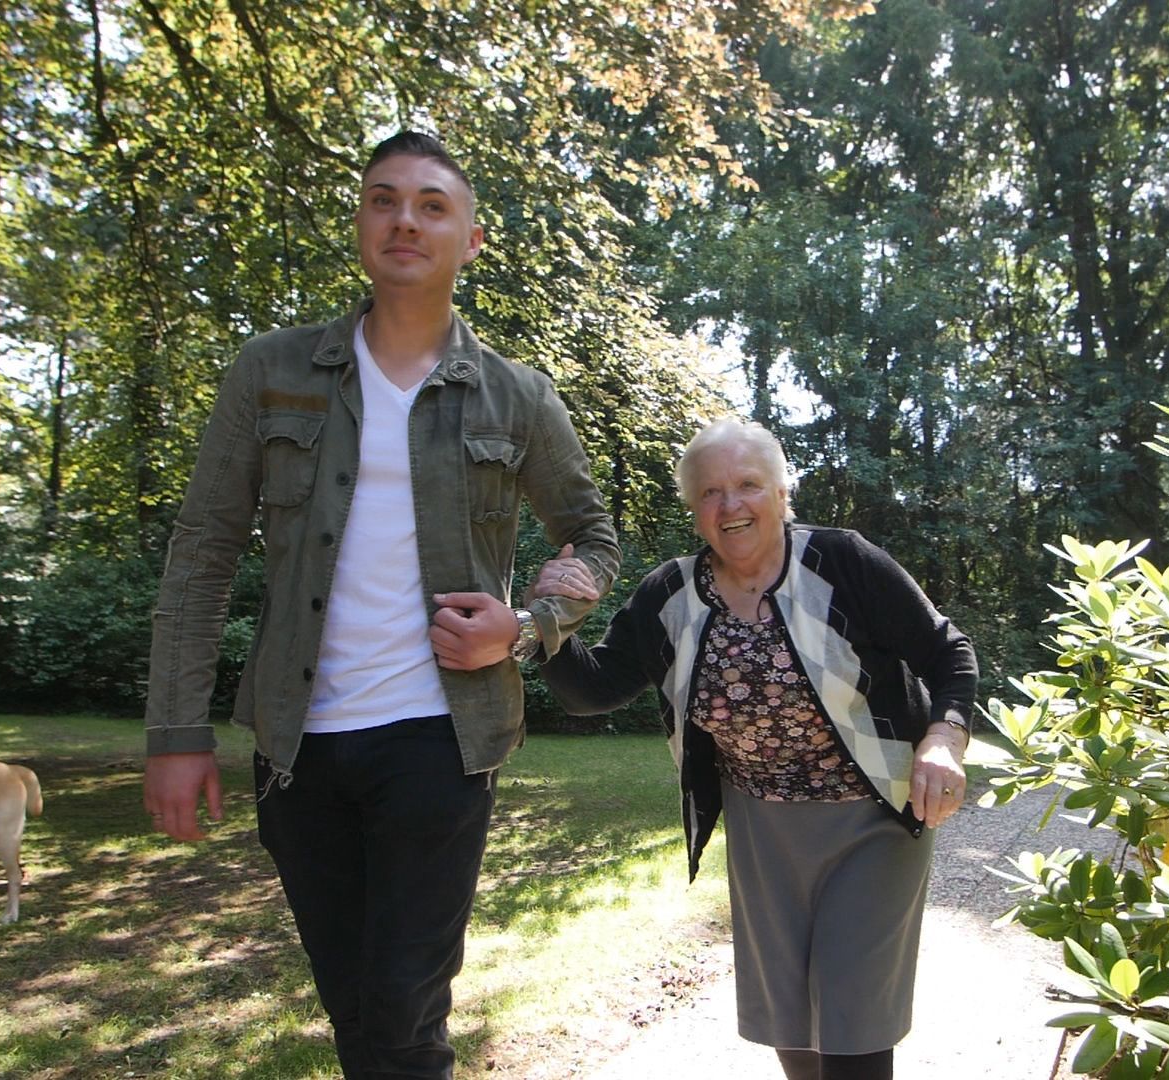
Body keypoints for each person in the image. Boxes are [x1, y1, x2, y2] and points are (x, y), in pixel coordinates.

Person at [142, 130, 619, 1080]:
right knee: (354, 1004)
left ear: (470, 240)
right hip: (297, 742)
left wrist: (527, 629)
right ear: (362, 221)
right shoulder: (271, 371)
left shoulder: (516, 398)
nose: (406, 219)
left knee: (403, 1010)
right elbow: (200, 558)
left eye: (432, 204)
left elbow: (595, 541)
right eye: (383, 199)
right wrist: (175, 733)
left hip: (441, 740)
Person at [531, 418, 973, 1080]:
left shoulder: (843, 561)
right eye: (710, 492)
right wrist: (551, 621)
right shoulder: (669, 595)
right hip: (762, 828)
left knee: (852, 1020)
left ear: (781, 494)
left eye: (747, 485)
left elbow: (949, 652)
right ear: (694, 510)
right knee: (789, 1022)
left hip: (873, 817)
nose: (730, 505)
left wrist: (944, 736)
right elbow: (591, 691)